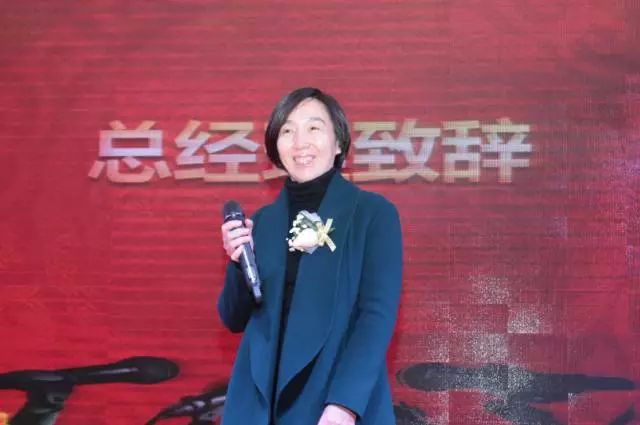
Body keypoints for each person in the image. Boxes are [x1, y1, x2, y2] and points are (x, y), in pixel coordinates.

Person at [218, 87, 403, 425]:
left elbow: (376, 317)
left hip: (333, 401)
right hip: (261, 406)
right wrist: (237, 261)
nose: (300, 142)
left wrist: (344, 404)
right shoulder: (262, 222)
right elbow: (233, 318)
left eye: (314, 128)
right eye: (287, 131)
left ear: (338, 143)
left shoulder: (373, 214)